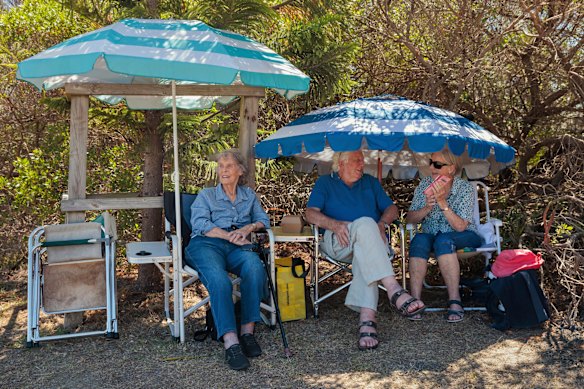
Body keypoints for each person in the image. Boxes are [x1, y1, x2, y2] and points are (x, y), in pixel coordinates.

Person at [305, 150, 425, 351]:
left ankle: (367, 321)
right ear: (340, 164)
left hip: (371, 243)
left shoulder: (370, 182)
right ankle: (394, 290)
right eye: (356, 161)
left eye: (362, 161)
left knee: (366, 242)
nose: (362, 165)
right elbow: (310, 213)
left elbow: (392, 209)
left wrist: (382, 223)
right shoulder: (325, 183)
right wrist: (333, 225)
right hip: (339, 240)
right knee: (365, 225)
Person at [184, 149, 270, 371]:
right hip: (206, 244)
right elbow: (200, 224)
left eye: (229, 166)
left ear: (240, 170)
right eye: (221, 167)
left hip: (238, 245)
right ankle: (231, 342)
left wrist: (247, 228)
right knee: (220, 281)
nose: (223, 171)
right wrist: (227, 235)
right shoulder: (206, 195)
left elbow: (263, 219)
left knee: (254, 267)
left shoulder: (248, 195)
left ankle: (247, 333)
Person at [406, 149, 482, 323]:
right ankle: (415, 300)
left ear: (451, 169)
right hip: (431, 234)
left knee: (444, 240)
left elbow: (461, 226)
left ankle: (455, 300)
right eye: (431, 162)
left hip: (464, 235)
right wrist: (426, 207)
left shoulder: (464, 188)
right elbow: (410, 220)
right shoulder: (425, 184)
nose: (432, 167)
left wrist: (442, 203)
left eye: (438, 164)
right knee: (418, 240)